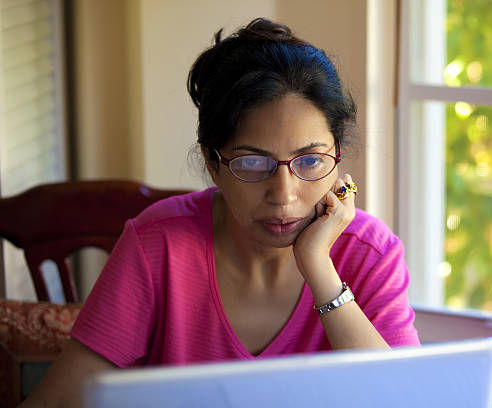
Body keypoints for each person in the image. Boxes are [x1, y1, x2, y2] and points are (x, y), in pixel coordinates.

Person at [20, 17, 419, 408]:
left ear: (337, 157)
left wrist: (318, 267)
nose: (283, 195)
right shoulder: (158, 244)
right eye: (251, 163)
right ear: (214, 166)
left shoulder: (371, 254)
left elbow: (405, 402)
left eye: (310, 161)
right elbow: (55, 400)